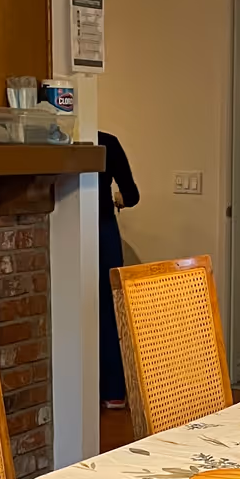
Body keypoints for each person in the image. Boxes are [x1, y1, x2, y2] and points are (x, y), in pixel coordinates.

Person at [97, 130, 140, 408]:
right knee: (108, 309)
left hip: (64, 233)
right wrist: (117, 199)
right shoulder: (107, 141)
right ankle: (112, 390)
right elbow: (131, 195)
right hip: (102, 231)